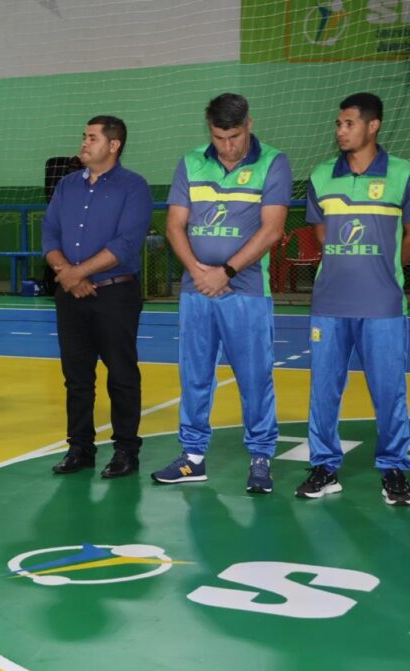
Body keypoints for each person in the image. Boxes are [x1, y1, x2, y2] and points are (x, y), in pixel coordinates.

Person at [150, 94, 291, 494]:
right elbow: (175, 224)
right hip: (197, 292)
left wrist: (226, 271)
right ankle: (192, 458)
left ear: (249, 123)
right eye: (219, 137)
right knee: (194, 375)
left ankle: (261, 457)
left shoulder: (273, 162)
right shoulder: (192, 162)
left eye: (234, 136)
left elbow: (272, 229)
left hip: (246, 292)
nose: (227, 146)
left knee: (254, 377)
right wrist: (198, 272)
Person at [298, 92, 410, 505]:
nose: (340, 131)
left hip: (383, 304)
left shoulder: (403, 174)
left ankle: (395, 469)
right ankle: (325, 467)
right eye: (338, 124)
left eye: (348, 123)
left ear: (373, 125)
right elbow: (321, 231)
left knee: (389, 391)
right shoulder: (322, 174)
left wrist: (383, 263)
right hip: (329, 304)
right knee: (323, 390)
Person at [42, 116, 152, 479]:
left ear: (114, 144)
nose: (84, 143)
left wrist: (78, 273)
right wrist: (68, 274)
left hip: (115, 293)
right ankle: (80, 447)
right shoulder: (67, 186)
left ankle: (125, 450)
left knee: (121, 373)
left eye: (91, 137)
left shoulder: (134, 187)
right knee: (76, 375)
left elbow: (126, 243)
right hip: (71, 295)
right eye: (84, 136)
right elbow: (49, 235)